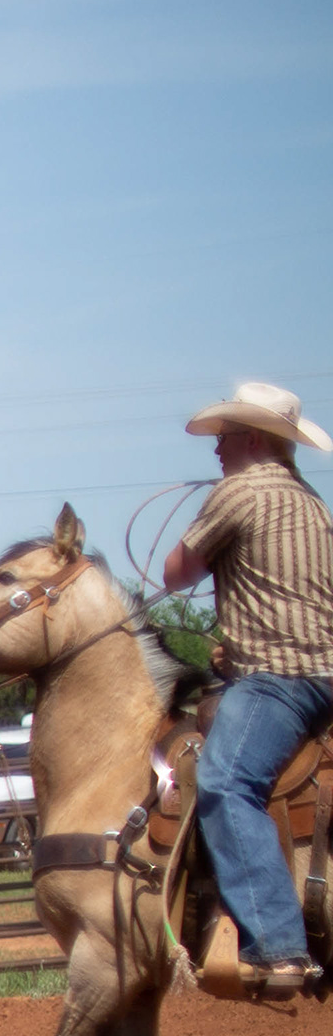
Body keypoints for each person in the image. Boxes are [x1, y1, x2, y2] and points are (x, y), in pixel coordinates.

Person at [157, 380, 333, 1001]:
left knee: (227, 783)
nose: (217, 449)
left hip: (279, 681)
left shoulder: (242, 490)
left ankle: (278, 945)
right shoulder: (312, 503)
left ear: (254, 439)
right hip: (322, 675)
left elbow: (175, 574)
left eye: (226, 436)